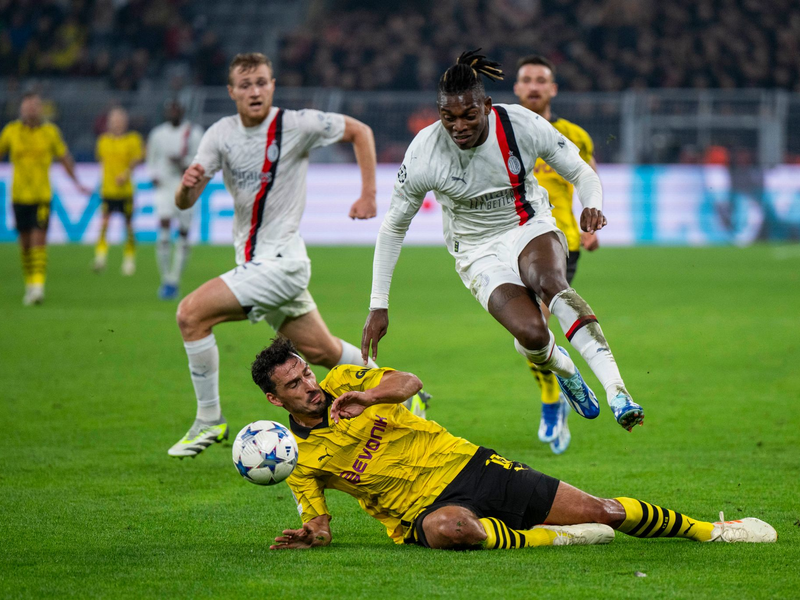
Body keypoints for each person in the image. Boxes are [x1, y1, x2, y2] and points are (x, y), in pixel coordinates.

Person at [250, 336, 777, 550]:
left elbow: (409, 382)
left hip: (468, 464)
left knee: (603, 508)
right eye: (294, 384)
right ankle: (557, 538)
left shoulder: (345, 379)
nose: (310, 386)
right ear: (276, 401)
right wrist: (310, 536)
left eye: (306, 374)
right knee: (450, 529)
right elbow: (318, 523)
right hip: (421, 512)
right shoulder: (297, 461)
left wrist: (367, 398)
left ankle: (714, 531)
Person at [362, 50, 643, 432]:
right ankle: (564, 369)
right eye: (449, 117)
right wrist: (379, 304)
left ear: (487, 106)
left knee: (552, 284)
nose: (458, 126)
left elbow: (582, 173)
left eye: (469, 115)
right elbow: (393, 227)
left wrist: (592, 205)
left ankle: (617, 391)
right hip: (477, 252)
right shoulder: (425, 153)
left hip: (528, 226)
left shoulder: (520, 125)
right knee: (531, 334)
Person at [168, 52, 427, 459]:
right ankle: (400, 392)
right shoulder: (220, 134)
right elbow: (185, 200)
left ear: (273, 85)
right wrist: (186, 187)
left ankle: (209, 419)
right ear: (232, 91)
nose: (255, 91)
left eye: (262, 83)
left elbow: (360, 131)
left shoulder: (296, 124)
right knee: (323, 351)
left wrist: (369, 193)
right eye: (246, 84)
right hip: (258, 264)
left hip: (281, 263)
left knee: (190, 314)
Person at [513, 55, 599, 454]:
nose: (533, 86)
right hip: (513, 242)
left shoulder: (574, 136)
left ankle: (552, 403)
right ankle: (556, 392)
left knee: (533, 327)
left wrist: (589, 221)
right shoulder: (503, 132)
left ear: (553, 89)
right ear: (516, 88)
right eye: (526, 80)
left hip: (561, 243)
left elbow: (587, 177)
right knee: (526, 334)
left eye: (540, 80)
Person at [0, 92, 90, 305]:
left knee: (38, 238)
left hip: (42, 196)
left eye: (35, 105)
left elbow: (64, 158)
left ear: (41, 109)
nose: (31, 109)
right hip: (19, 196)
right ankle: (30, 284)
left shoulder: (50, 132)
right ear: (21, 109)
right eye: (28, 105)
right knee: (24, 244)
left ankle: (38, 287)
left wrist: (77, 182)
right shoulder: (11, 131)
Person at [146, 100, 204, 299]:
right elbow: (151, 159)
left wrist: (184, 163)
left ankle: (175, 279)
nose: (173, 112)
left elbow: (202, 160)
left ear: (182, 111)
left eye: (176, 109)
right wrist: (153, 175)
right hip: (165, 187)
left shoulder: (193, 133)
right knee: (163, 228)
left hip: (186, 187)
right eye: (170, 110)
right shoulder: (157, 134)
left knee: (184, 233)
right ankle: (165, 279)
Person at [93, 106, 145, 275]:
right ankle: (100, 257)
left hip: (126, 191)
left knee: (129, 227)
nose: (117, 124)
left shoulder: (132, 140)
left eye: (119, 120)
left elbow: (139, 158)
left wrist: (126, 173)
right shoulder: (103, 141)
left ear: (125, 122)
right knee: (104, 225)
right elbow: (100, 160)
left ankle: (129, 260)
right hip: (108, 190)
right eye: (114, 121)